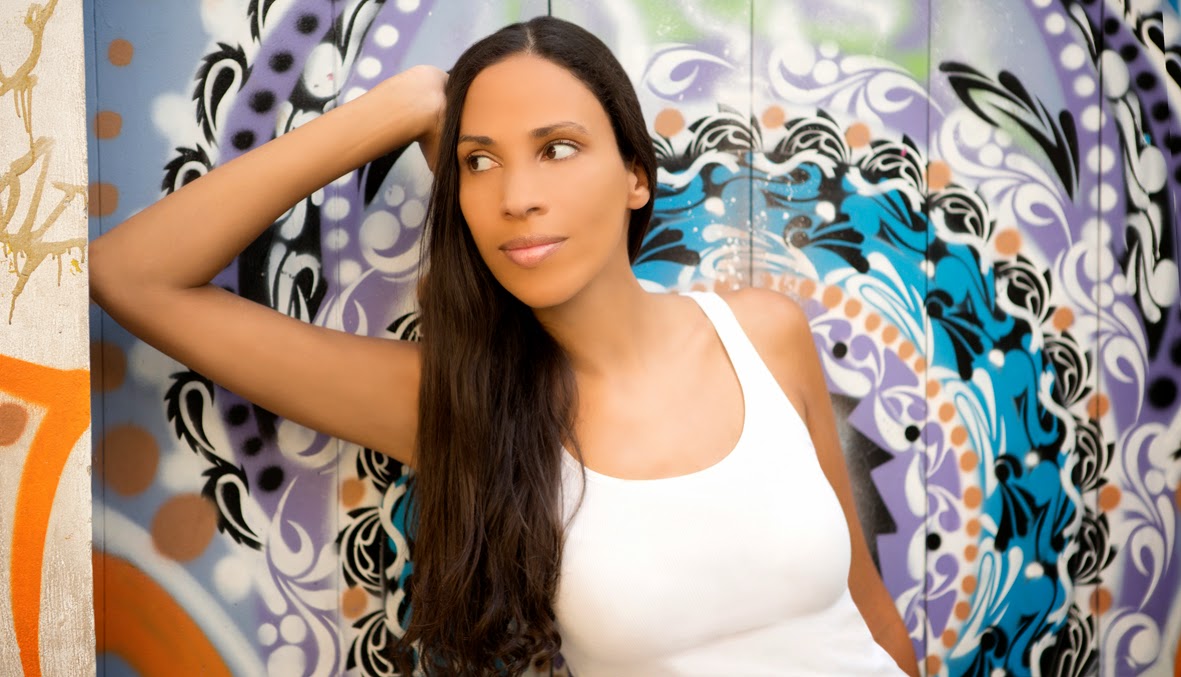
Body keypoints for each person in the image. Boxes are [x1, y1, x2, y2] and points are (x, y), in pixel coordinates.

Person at [90, 15, 920, 677]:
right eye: (479, 161)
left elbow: (870, 613)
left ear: (635, 175)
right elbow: (131, 276)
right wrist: (406, 104)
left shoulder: (764, 332)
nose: (517, 196)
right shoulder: (464, 404)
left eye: (557, 149)